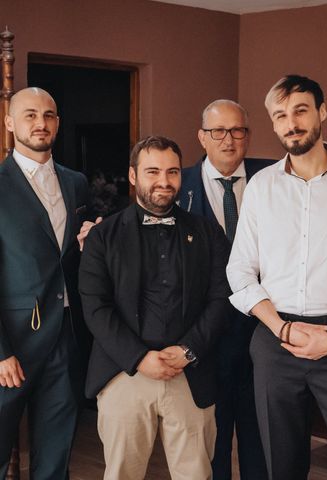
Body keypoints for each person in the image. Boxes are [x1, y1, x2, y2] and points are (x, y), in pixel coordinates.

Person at [226, 75, 327, 480]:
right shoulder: (261, 187)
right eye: (280, 115)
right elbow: (240, 271)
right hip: (274, 339)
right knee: (281, 466)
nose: (291, 123)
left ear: (321, 112)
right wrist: (282, 330)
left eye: (300, 110)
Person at [79, 135, 231, 480]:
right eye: (152, 172)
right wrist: (138, 358)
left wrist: (189, 350)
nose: (164, 181)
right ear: (133, 176)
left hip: (190, 373)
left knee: (196, 474)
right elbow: (95, 308)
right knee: (122, 475)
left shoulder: (207, 232)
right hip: (124, 373)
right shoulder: (103, 237)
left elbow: (222, 298)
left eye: (172, 172)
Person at [178, 99, 271, 480]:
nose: (228, 140)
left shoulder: (274, 176)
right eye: (218, 131)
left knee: (260, 434)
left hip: (264, 329)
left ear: (248, 136)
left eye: (238, 131)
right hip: (204, 334)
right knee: (210, 436)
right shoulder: (177, 183)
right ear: (202, 136)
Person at [0, 87, 89, 479]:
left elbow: (69, 257)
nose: (41, 123)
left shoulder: (76, 183)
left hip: (66, 335)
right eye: (30, 114)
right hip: (12, 344)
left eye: (49, 115)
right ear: (9, 122)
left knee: (55, 452)